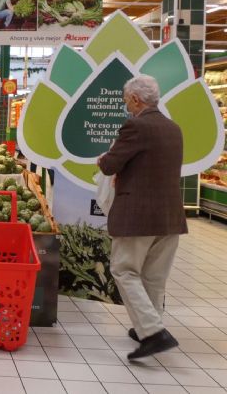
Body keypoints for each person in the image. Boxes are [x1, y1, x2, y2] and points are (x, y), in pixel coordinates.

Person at [97, 75, 186, 360]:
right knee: (154, 277)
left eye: (127, 102)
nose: (127, 107)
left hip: (138, 216)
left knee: (124, 270)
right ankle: (148, 327)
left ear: (135, 99)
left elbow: (111, 166)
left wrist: (102, 159)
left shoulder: (136, 126)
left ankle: (153, 332)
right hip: (170, 216)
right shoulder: (174, 128)